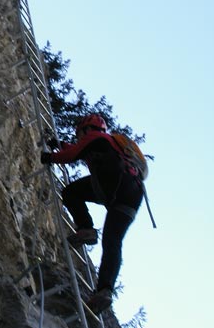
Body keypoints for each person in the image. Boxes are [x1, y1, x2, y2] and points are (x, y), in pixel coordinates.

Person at [40, 114, 144, 314]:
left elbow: (72, 155)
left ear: (87, 129)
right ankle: (105, 290)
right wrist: (59, 144)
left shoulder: (96, 137)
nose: (79, 137)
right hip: (131, 194)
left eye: (80, 133)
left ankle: (87, 229)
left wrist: (49, 157)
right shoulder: (108, 145)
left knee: (71, 192)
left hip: (111, 186)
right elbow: (76, 150)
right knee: (113, 242)